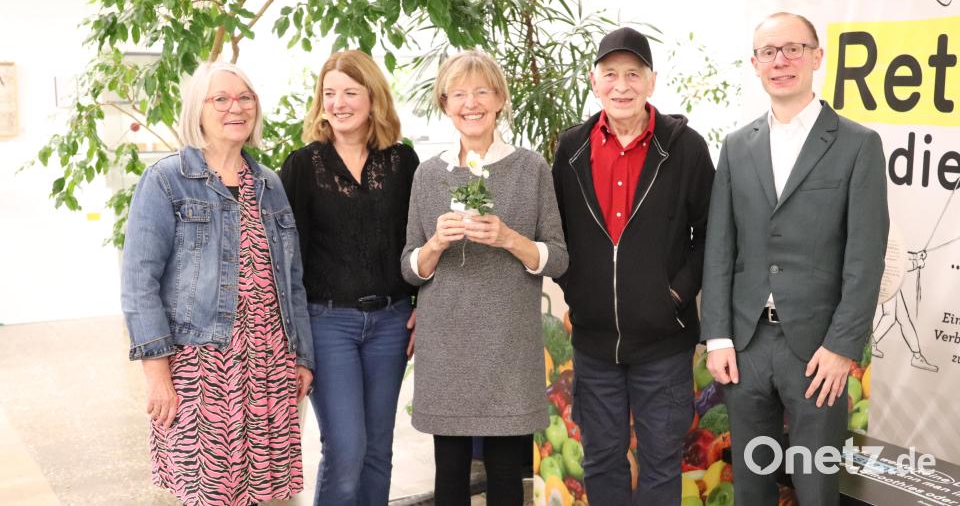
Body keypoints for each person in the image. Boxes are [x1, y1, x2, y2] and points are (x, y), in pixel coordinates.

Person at [701, 12, 889, 505]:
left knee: (817, 489)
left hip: (818, 353)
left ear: (816, 57)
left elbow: (865, 257)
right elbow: (721, 247)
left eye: (793, 49)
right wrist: (719, 335)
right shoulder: (737, 145)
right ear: (755, 64)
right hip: (745, 346)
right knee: (751, 488)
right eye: (769, 52)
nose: (780, 61)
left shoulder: (858, 145)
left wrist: (844, 347)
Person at [121, 61, 314, 506]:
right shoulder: (166, 180)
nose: (236, 108)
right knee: (208, 492)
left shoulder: (268, 184)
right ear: (199, 110)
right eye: (221, 99)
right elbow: (138, 282)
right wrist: (156, 372)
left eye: (245, 98)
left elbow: (293, 278)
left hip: (269, 362)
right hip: (200, 366)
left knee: (264, 493)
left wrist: (301, 356)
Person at [551, 26, 715, 504]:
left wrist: (676, 294)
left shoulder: (685, 147)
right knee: (601, 459)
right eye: (610, 74)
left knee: (662, 463)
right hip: (595, 344)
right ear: (593, 81)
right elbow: (554, 231)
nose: (621, 85)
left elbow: (712, 234)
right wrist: (578, 289)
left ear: (651, 81)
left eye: (632, 74)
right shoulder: (571, 148)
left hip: (664, 343)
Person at [400, 50, 568, 506]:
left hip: (508, 346)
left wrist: (510, 238)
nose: (470, 103)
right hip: (447, 345)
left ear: (499, 100)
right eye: (458, 94)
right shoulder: (428, 174)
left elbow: (558, 258)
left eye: (481, 92)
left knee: (506, 480)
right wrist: (434, 245)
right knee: (450, 478)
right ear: (445, 104)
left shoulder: (530, 168)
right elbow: (408, 266)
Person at [279, 50, 418, 506]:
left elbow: (416, 242)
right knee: (345, 449)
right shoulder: (302, 165)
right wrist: (294, 342)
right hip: (327, 324)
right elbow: (287, 260)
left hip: (391, 323)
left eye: (349, 92)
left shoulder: (403, 162)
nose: (337, 103)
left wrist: (423, 310)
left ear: (373, 98)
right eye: (329, 93)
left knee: (378, 450)